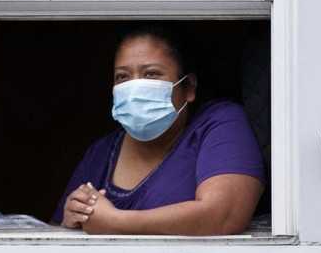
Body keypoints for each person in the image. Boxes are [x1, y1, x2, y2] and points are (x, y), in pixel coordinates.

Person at [53, 25, 265, 235]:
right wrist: (71, 219)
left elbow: (223, 216)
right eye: (123, 77)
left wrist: (116, 222)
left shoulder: (219, 123)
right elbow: (56, 233)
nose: (135, 88)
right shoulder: (101, 152)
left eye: (151, 74)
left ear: (188, 87)